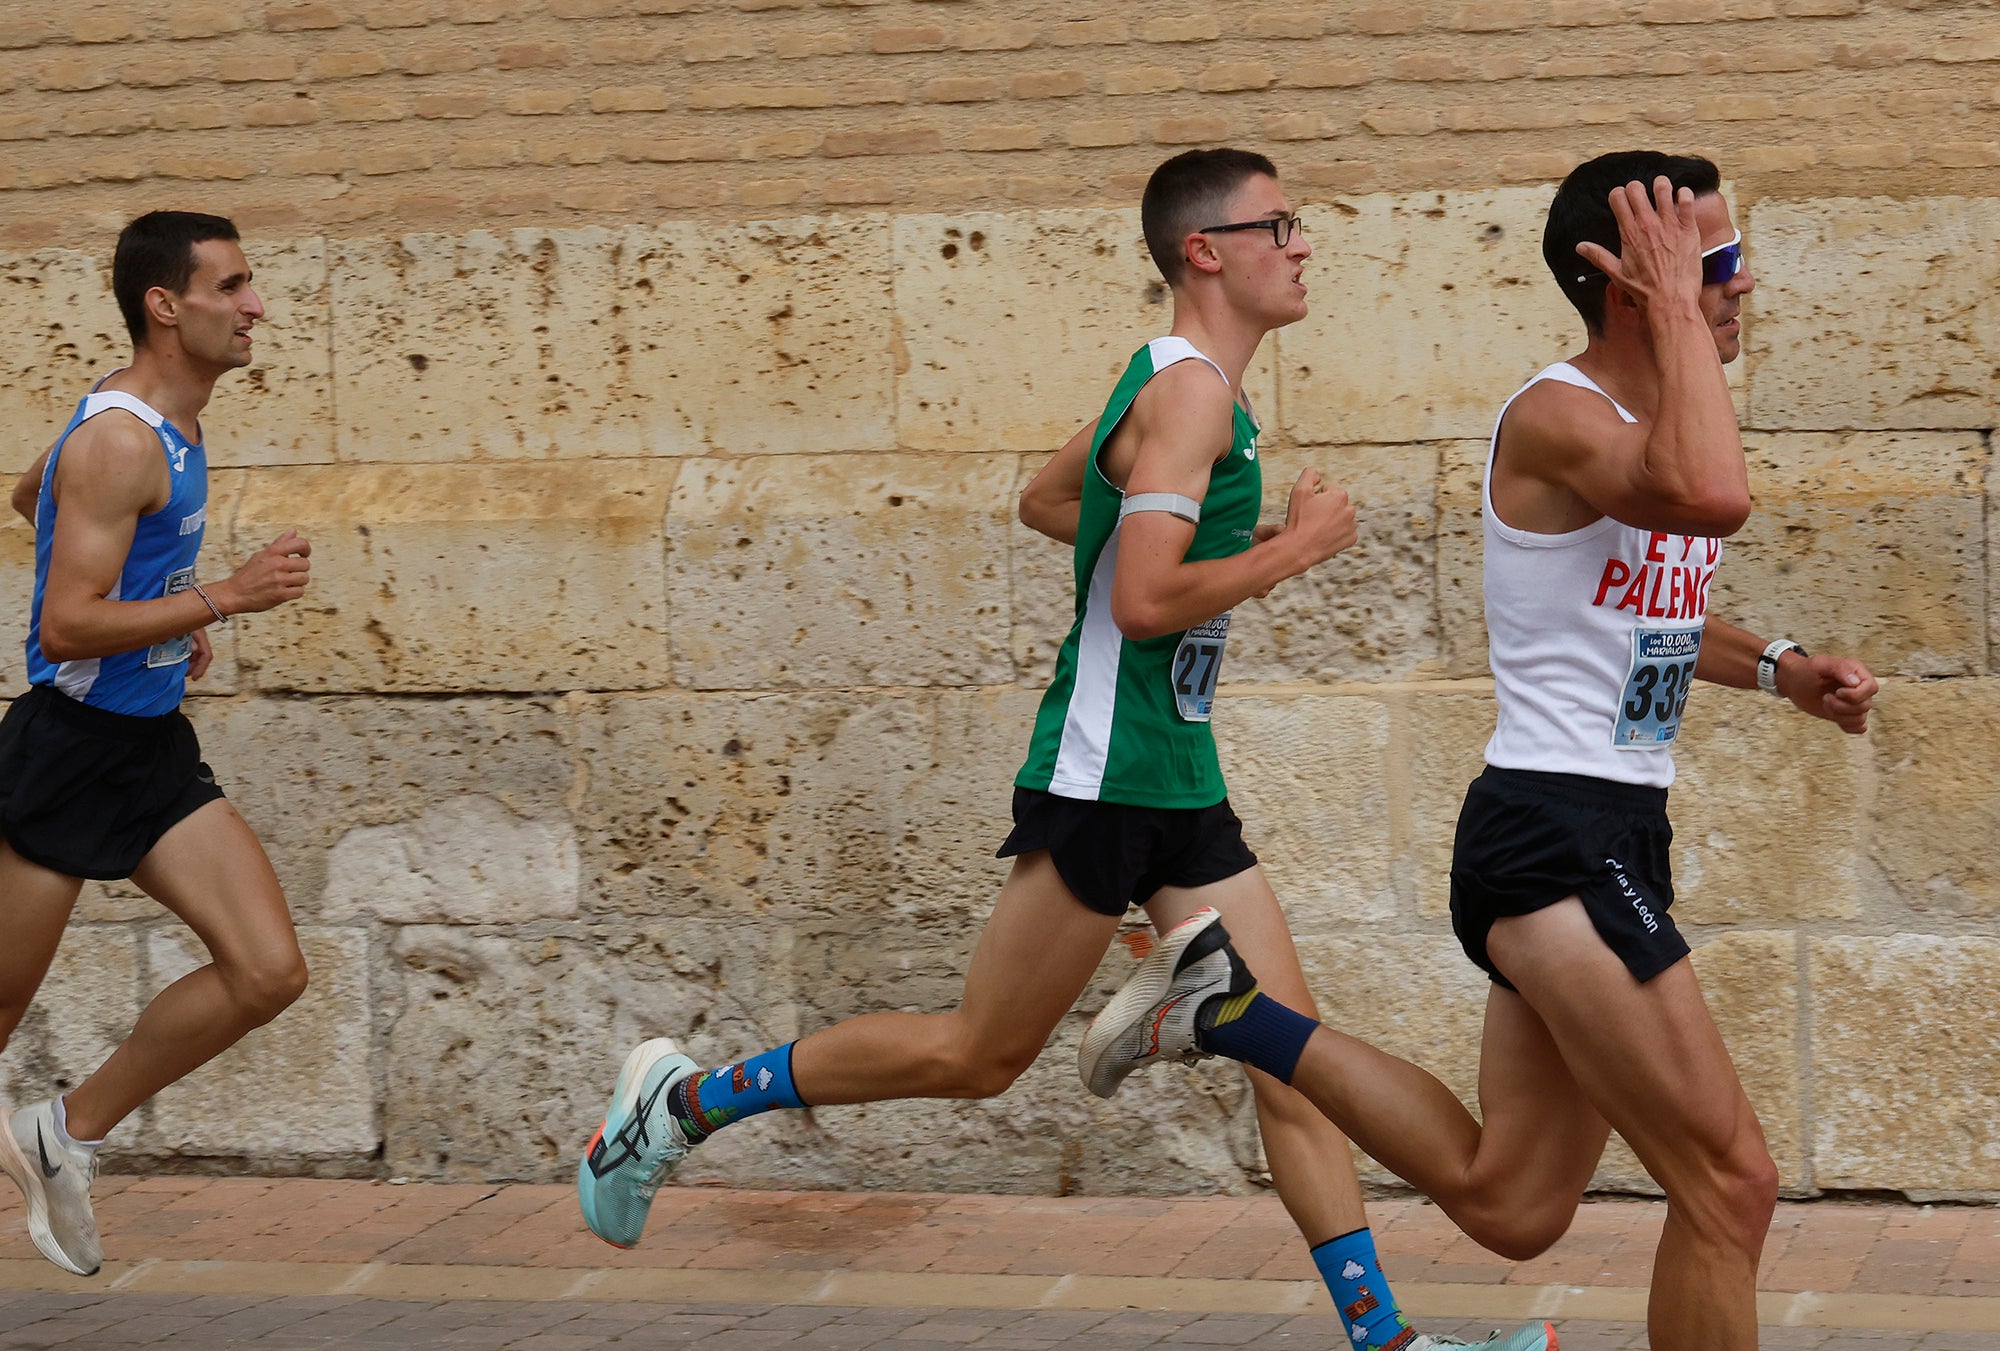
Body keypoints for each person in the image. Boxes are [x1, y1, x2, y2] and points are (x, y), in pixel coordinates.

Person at [576, 148, 1552, 1351]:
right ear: (1204, 251)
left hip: (1175, 772)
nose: (1301, 245)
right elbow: (1142, 603)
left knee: (1285, 1054)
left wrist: (1134, 536)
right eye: (1277, 225)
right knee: (977, 1054)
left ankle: (1383, 1342)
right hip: (1102, 774)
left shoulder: (1175, 389)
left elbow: (1050, 502)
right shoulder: (1189, 393)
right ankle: (674, 1106)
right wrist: (1297, 550)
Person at [1085, 152, 1879, 1351]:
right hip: (1556, 835)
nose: (1740, 286)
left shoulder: (1643, 422)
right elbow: (1712, 497)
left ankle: (1234, 1013)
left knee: (1511, 1202)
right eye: (1711, 263)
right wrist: (1672, 308)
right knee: (1730, 1182)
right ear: (1627, 281)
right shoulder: (1559, 413)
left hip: (1596, 830)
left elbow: (1644, 605)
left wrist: (1778, 667)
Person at [0, 211, 316, 1277]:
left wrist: (168, 617)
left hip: (145, 747)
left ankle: (61, 1132)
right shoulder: (122, 437)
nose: (256, 306)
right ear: (165, 306)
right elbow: (62, 626)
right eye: (231, 287)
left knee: (268, 970)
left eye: (250, 282)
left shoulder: (159, 427)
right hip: (64, 751)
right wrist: (217, 600)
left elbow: (28, 495)